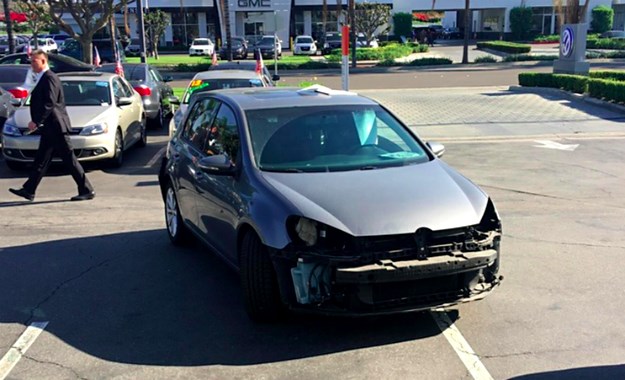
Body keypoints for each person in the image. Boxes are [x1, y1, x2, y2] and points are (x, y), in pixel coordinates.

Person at [9, 49, 95, 202]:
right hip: (50, 127)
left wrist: (36, 121)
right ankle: (29, 190)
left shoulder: (50, 78)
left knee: (69, 159)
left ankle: (86, 189)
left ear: (43, 61)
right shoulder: (43, 78)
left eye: (34, 61)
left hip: (56, 126)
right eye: (31, 61)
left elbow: (50, 103)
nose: (32, 64)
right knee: (41, 159)